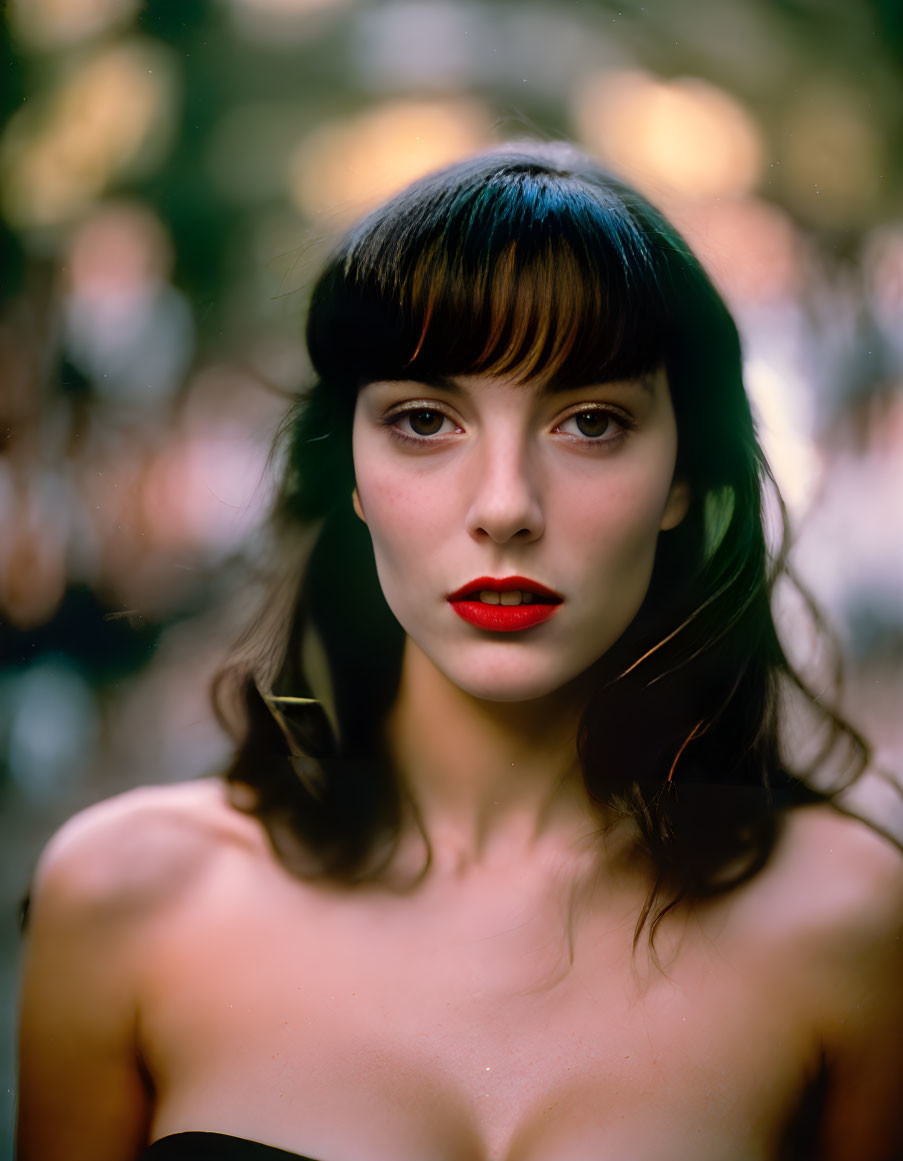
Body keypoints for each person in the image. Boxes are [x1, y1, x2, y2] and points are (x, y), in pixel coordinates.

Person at [16, 140, 903, 1161]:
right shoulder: (129, 899)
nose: (505, 508)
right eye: (426, 420)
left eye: (591, 423)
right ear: (349, 470)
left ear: (684, 482)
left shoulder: (849, 923)